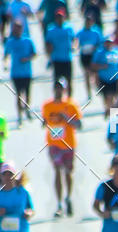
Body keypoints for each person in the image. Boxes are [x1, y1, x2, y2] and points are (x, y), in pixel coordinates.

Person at [41, 78, 82, 218]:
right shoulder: (47, 106)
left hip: (68, 144)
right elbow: (45, 120)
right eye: (56, 87)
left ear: (64, 90)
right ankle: (58, 204)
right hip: (54, 144)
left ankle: (68, 198)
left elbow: (79, 125)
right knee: (57, 170)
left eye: (61, 88)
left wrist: (67, 118)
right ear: (54, 89)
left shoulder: (71, 105)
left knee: (68, 172)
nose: (58, 90)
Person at [3, 18, 35, 123]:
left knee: (27, 94)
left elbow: (34, 53)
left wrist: (27, 58)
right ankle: (19, 116)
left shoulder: (28, 40)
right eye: (16, 28)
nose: (18, 30)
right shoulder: (10, 42)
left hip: (27, 72)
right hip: (16, 73)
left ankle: (27, 109)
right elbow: (6, 54)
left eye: (19, 28)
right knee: (18, 95)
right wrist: (5, 64)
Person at [45, 8, 75, 94]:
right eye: (58, 17)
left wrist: (74, 46)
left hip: (67, 57)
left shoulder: (69, 28)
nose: (60, 19)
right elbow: (48, 43)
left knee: (69, 80)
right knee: (57, 81)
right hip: (57, 58)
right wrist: (49, 55)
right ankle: (58, 97)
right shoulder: (51, 29)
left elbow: (74, 39)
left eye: (61, 17)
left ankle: (69, 97)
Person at [91, 35, 118, 116]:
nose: (108, 44)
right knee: (107, 96)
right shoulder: (99, 52)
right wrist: (102, 66)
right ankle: (109, 110)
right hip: (104, 78)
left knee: (115, 96)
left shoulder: (116, 51)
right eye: (107, 42)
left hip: (115, 77)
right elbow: (93, 65)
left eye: (110, 42)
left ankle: (109, 109)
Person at [76, 11, 103, 100]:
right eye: (87, 21)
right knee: (86, 74)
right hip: (85, 55)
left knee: (95, 74)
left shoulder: (96, 32)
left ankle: (98, 87)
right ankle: (89, 93)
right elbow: (76, 42)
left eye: (90, 21)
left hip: (93, 55)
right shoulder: (81, 32)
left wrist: (96, 48)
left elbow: (100, 43)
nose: (88, 23)